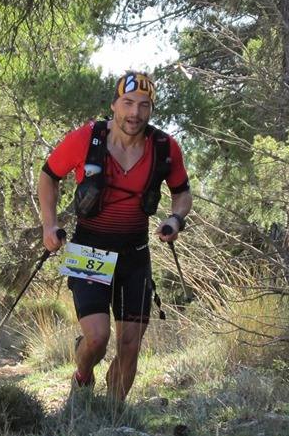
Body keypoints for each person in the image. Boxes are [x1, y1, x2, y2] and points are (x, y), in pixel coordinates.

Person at [37, 71, 192, 402]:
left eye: (144, 106)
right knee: (97, 339)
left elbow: (182, 193)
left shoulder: (165, 147)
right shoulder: (87, 138)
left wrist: (175, 219)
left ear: (151, 110)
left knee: (130, 346)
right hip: (89, 249)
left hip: (135, 255)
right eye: (128, 103)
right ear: (114, 105)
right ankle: (82, 374)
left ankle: (112, 418)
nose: (135, 113)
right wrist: (49, 225)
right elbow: (49, 176)